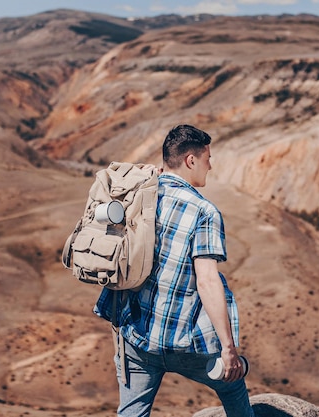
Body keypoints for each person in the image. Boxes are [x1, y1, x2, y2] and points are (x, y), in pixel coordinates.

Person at [94, 124, 254, 417]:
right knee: (233, 386)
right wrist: (228, 349)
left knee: (131, 412)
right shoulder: (204, 212)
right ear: (191, 161)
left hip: (136, 336)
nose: (211, 165)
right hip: (183, 344)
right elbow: (206, 280)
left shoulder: (140, 193)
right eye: (208, 158)